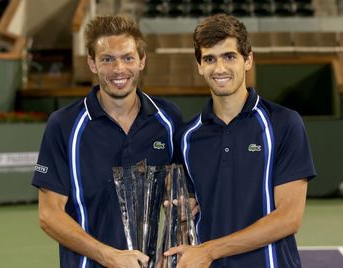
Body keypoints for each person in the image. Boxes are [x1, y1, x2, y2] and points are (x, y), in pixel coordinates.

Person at [165, 14, 316, 267]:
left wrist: (211, 250)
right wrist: (179, 212)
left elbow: (290, 218)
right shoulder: (186, 136)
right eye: (210, 59)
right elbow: (188, 213)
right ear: (199, 65)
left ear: (248, 60)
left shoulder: (284, 123)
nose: (220, 68)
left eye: (229, 56)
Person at [32, 15, 182, 268]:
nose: (119, 69)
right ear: (92, 63)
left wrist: (170, 247)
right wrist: (107, 255)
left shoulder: (168, 119)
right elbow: (49, 214)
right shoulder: (64, 124)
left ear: (142, 61)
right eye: (107, 59)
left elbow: (178, 196)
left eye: (127, 58)